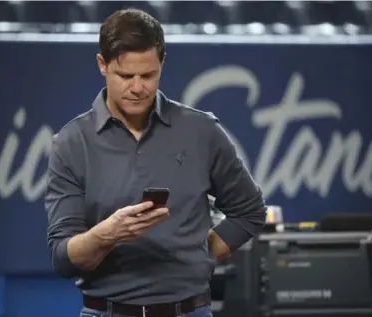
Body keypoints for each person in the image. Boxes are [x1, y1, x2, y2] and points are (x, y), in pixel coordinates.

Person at [45, 8, 267, 317]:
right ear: (102, 65)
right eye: (125, 76)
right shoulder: (70, 143)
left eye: (148, 75)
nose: (137, 88)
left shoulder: (202, 131)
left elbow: (251, 212)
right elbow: (62, 258)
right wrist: (107, 234)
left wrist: (200, 254)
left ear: (162, 63)